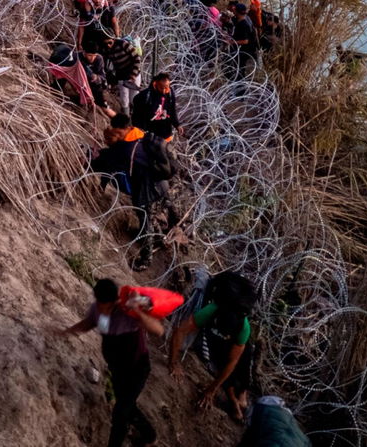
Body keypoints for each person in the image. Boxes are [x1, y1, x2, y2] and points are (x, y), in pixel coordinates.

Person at [62, 279, 163, 447]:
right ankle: (149, 436)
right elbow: (88, 323)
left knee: (120, 412)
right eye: (99, 303)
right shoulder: (97, 310)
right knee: (126, 406)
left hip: (137, 369)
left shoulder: (128, 312)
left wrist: (138, 312)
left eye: (105, 305)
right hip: (117, 369)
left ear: (114, 301)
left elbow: (158, 330)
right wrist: (67, 332)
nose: (101, 308)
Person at [168, 272, 263, 422]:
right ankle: (233, 400)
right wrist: (173, 362)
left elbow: (233, 362)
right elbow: (180, 330)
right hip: (217, 332)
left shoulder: (243, 328)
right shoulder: (212, 310)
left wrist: (211, 390)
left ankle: (242, 394)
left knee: (244, 359)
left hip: (239, 341)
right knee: (220, 359)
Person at [91, 115, 179, 270]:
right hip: (161, 183)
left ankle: (146, 260)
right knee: (153, 214)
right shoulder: (140, 134)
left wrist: (94, 159)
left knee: (146, 221)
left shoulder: (126, 149)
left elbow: (110, 161)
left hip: (147, 190)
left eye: (115, 129)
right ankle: (162, 234)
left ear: (121, 129)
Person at [131, 73, 181, 141]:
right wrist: (139, 129)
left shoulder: (170, 93)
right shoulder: (145, 96)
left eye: (166, 87)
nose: (164, 91)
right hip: (148, 134)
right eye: (161, 88)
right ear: (156, 83)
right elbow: (136, 115)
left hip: (165, 134)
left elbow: (172, 110)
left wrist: (177, 125)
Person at [102, 35, 141, 115]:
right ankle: (126, 119)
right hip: (121, 75)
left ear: (113, 39)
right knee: (124, 99)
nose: (108, 45)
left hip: (133, 73)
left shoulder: (123, 44)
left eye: (110, 42)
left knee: (134, 98)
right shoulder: (106, 49)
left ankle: (135, 117)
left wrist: (133, 74)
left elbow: (137, 58)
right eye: (106, 44)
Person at [230, 3, 260, 77]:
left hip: (243, 52)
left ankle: (240, 86)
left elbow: (245, 41)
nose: (233, 11)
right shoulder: (244, 19)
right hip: (241, 51)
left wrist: (231, 42)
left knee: (240, 72)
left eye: (235, 10)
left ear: (238, 11)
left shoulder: (244, 24)